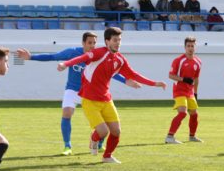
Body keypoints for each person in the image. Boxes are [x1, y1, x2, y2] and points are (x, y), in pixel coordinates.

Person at [57, 27, 167, 163]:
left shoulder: (120, 59)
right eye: (115, 40)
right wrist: (65, 64)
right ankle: (94, 138)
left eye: (119, 40)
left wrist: (154, 83)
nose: (118, 43)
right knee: (103, 132)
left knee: (116, 131)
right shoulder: (98, 53)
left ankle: (107, 156)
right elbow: (82, 57)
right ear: (107, 41)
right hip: (90, 100)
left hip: (106, 100)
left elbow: (133, 74)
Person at [16, 33, 138, 155]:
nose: (92, 45)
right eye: (89, 43)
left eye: (94, 43)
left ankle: (99, 144)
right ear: (83, 43)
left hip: (91, 93)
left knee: (106, 120)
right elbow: (53, 56)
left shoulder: (99, 55)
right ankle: (67, 146)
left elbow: (112, 73)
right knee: (67, 112)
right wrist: (31, 57)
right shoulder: (72, 52)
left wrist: (126, 81)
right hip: (73, 90)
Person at [165, 37, 203, 144]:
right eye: (188, 46)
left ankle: (192, 136)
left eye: (192, 46)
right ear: (185, 47)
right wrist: (183, 79)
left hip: (190, 92)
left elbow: (196, 79)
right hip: (179, 90)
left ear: (195, 47)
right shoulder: (178, 60)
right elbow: (170, 75)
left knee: (194, 114)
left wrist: (195, 93)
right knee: (183, 113)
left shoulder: (198, 62)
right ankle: (169, 137)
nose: (190, 48)